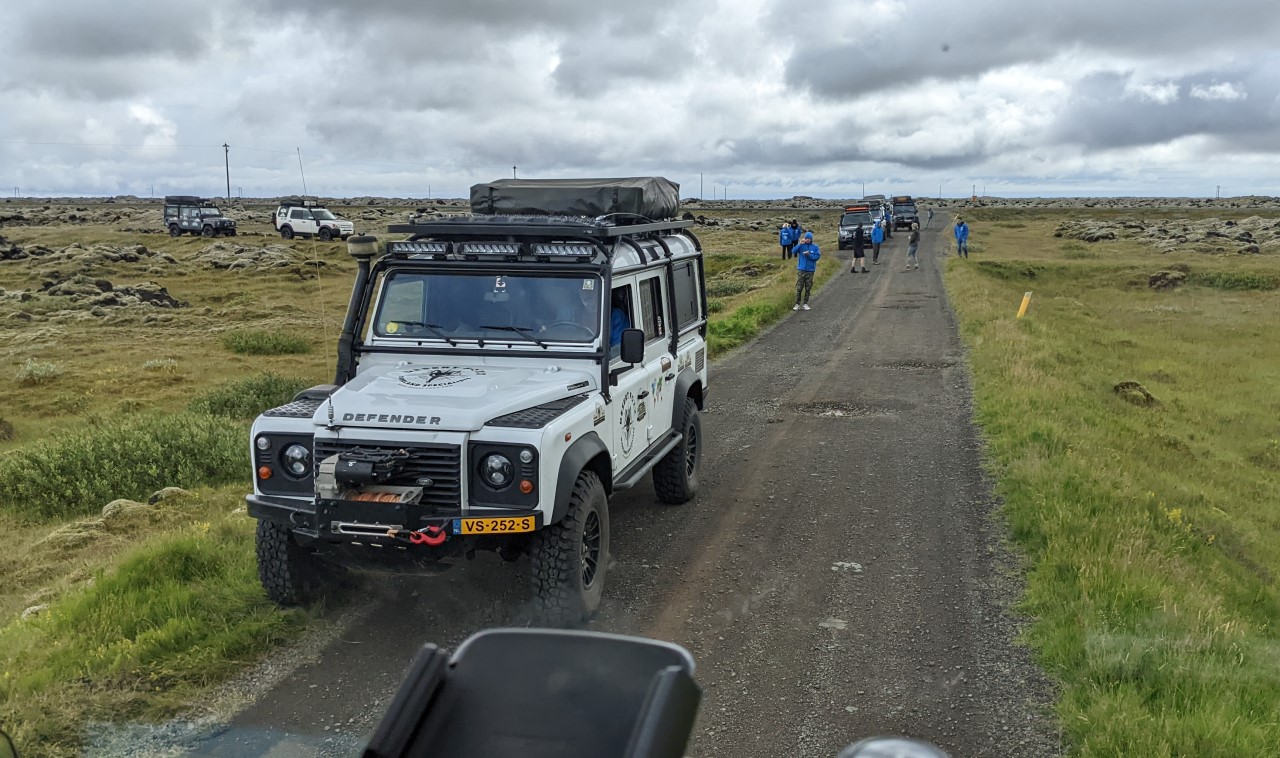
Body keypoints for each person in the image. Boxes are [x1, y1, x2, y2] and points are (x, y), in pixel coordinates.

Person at [792, 231, 820, 310]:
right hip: (801, 270)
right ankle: (797, 304)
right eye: (806, 238)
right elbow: (793, 251)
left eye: (809, 238)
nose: (808, 240)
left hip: (810, 270)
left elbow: (817, 257)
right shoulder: (801, 246)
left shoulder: (815, 247)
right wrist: (799, 244)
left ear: (811, 239)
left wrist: (809, 255)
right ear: (804, 238)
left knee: (808, 287)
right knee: (799, 287)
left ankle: (805, 303)